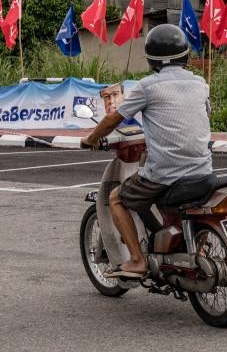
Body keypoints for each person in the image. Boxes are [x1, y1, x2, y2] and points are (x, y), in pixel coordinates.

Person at [82, 24, 212, 278]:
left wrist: (91, 139)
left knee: (117, 198)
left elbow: (113, 119)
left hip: (166, 173)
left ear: (152, 58)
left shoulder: (148, 86)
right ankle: (194, 250)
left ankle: (137, 260)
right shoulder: (200, 83)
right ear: (185, 54)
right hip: (203, 170)